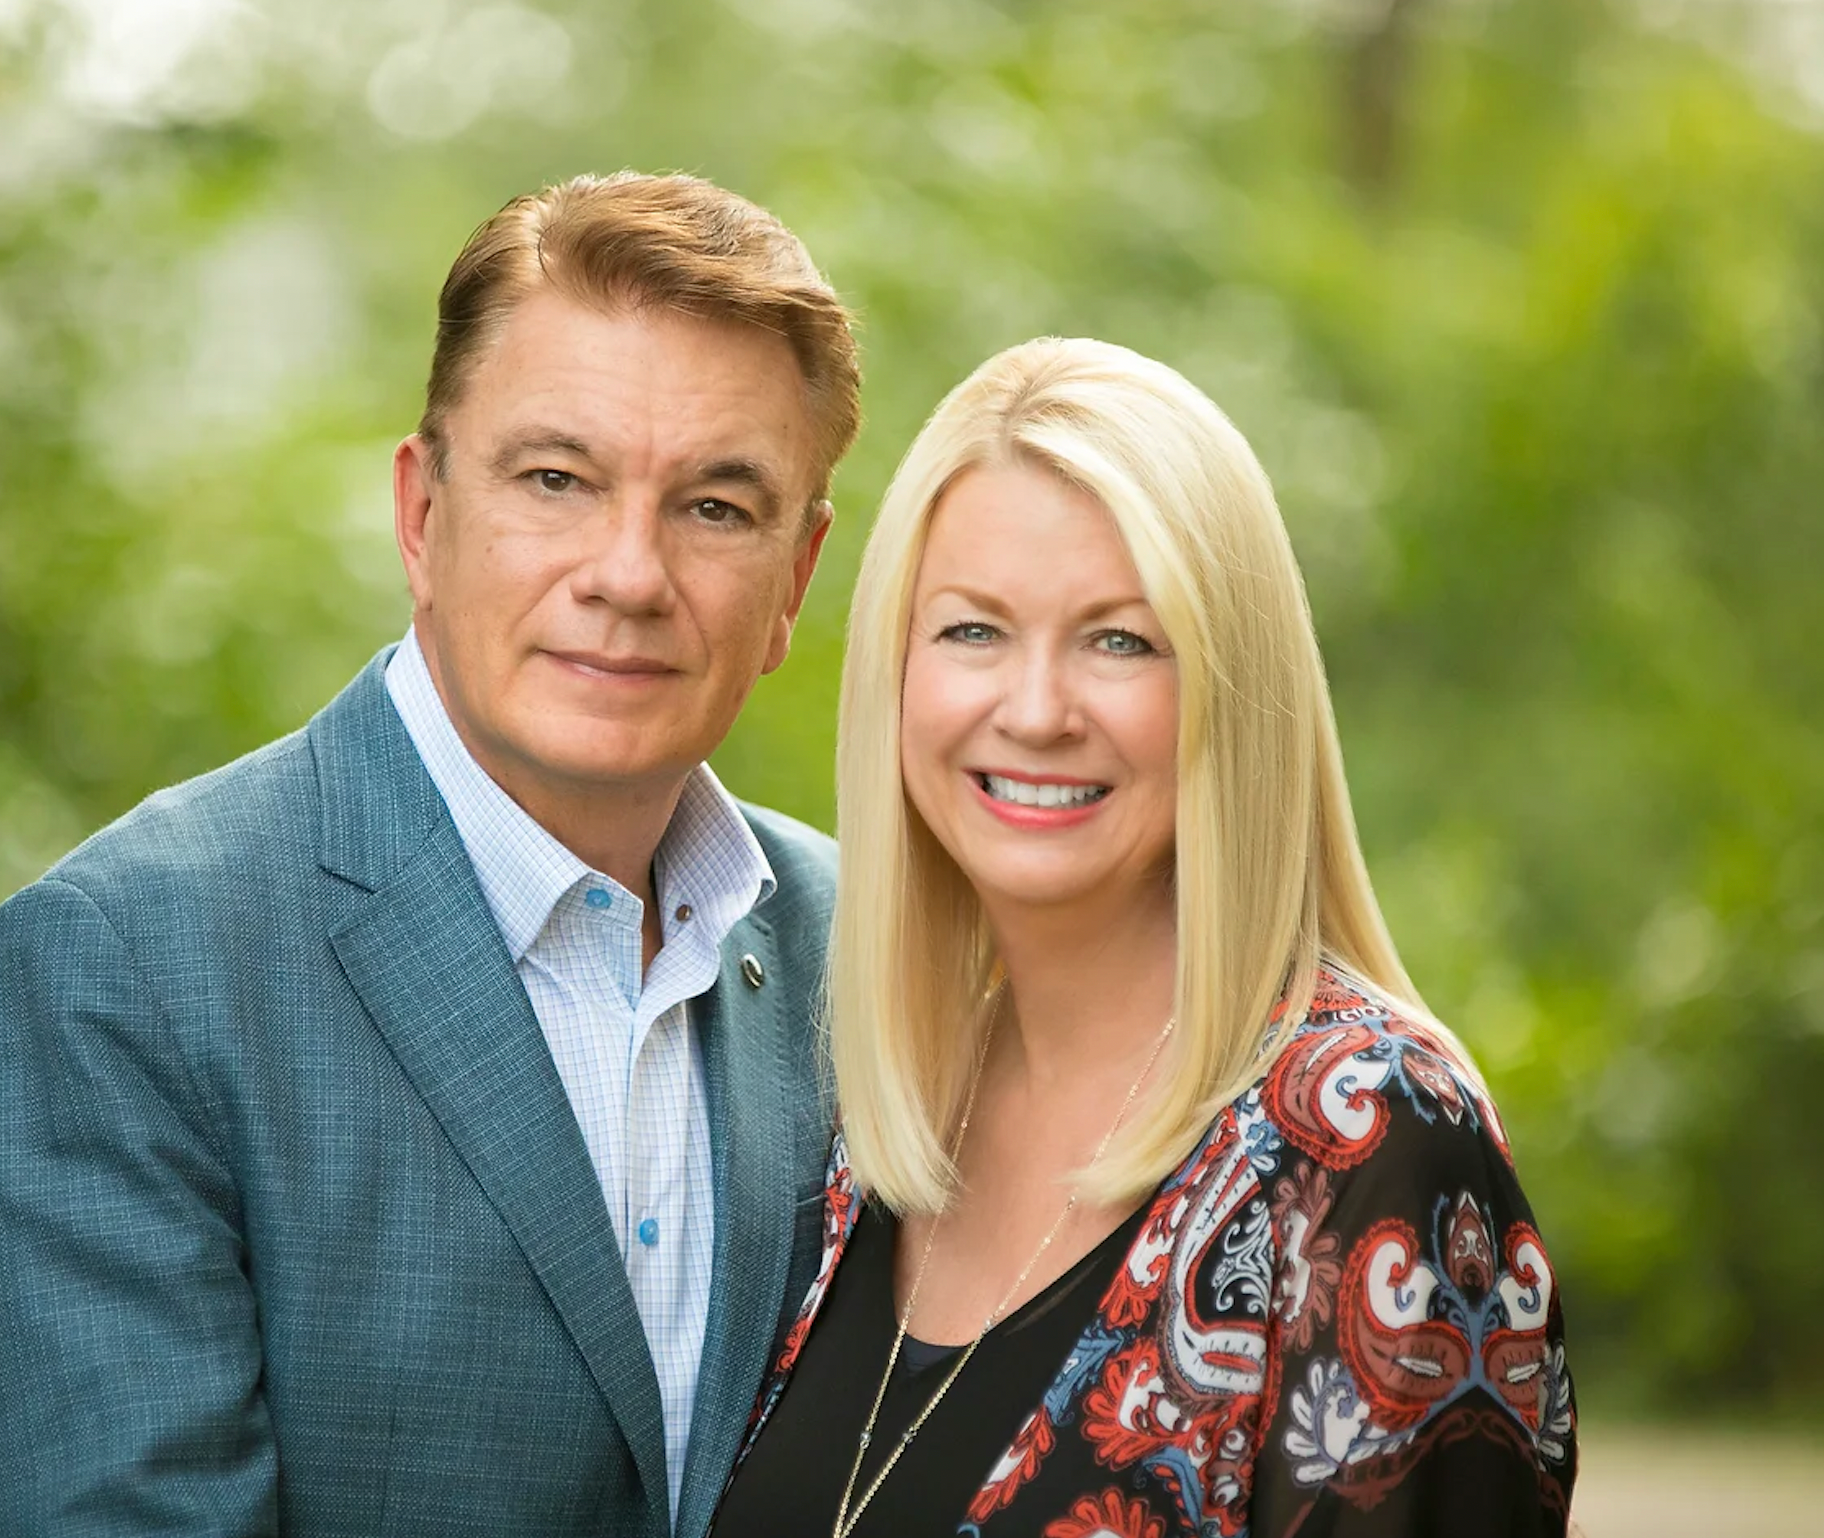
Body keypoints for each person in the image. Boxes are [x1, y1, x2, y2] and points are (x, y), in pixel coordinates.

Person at [0, 171, 859, 1538]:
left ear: (795, 579)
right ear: (421, 513)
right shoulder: (124, 966)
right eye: (557, 480)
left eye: (715, 507)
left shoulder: (864, 954)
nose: (628, 574)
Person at [714, 338, 1577, 1536]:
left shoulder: (1373, 1136)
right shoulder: (874, 1113)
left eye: (1119, 638)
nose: (1035, 710)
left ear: (1235, 687)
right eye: (973, 630)